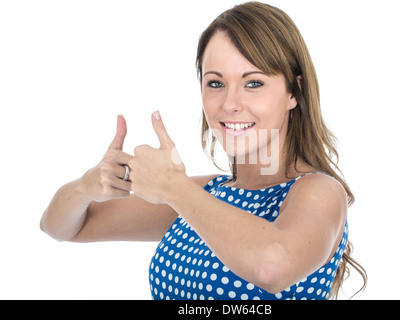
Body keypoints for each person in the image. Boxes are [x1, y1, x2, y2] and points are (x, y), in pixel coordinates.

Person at [40, 1, 366, 300]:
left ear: (294, 92)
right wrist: (87, 186)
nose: (230, 104)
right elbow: (64, 227)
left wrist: (173, 187)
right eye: (215, 83)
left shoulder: (319, 191)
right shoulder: (205, 194)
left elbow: (272, 267)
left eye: (253, 83)